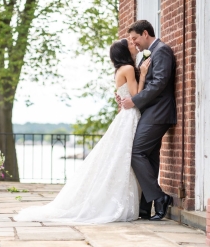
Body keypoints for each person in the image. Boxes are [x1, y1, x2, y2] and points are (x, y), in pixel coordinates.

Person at [14, 38, 151, 223]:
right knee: (124, 158)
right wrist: (142, 74)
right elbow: (136, 96)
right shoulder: (128, 69)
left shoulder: (121, 70)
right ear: (123, 51)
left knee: (123, 158)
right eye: (129, 44)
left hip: (127, 117)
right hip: (130, 117)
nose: (133, 45)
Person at [121, 20, 177, 221]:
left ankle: (160, 197)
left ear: (145, 33)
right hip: (151, 111)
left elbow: (160, 83)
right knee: (150, 157)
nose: (134, 42)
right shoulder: (150, 53)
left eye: (135, 38)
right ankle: (145, 208)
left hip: (159, 111)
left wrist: (134, 101)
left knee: (136, 152)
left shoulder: (161, 50)